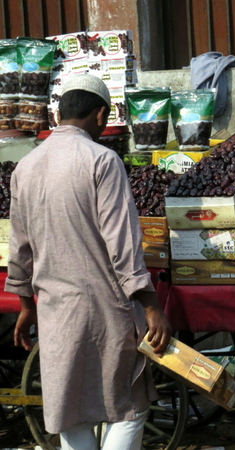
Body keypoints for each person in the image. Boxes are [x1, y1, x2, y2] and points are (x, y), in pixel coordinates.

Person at [5, 74, 172, 450]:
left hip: (55, 309)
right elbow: (123, 243)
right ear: (100, 116)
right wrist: (150, 305)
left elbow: (19, 250)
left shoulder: (25, 167)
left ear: (59, 114)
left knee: (69, 409)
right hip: (104, 307)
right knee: (129, 405)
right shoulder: (102, 160)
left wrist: (26, 305)